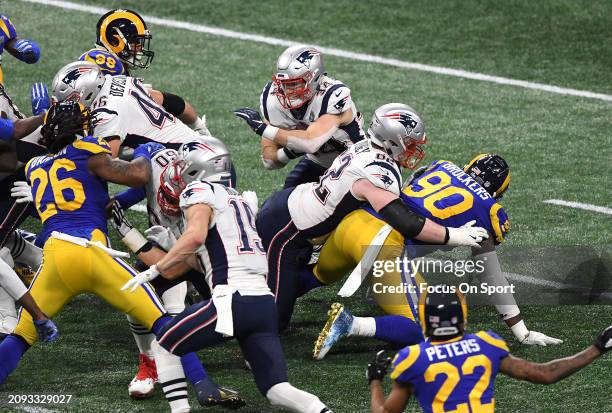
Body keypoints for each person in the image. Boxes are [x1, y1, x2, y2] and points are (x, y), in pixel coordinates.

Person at [0, 101, 220, 413]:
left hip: (55, 258)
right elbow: (137, 175)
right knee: (161, 321)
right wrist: (145, 152)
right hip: (91, 253)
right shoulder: (86, 149)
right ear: (81, 127)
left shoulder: (35, 166)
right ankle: (203, 384)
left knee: (22, 336)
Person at [121, 144, 333, 413]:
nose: (177, 174)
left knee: (163, 347)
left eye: (183, 168)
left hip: (232, 301)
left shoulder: (198, 190)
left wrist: (157, 267)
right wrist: (173, 244)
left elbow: (196, 236)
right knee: (278, 390)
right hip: (264, 305)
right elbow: (202, 261)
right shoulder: (239, 201)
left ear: (200, 169)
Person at [256, 103, 489, 332]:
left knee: (286, 284)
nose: (413, 150)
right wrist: (453, 235)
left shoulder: (366, 146)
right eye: (409, 143)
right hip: (286, 228)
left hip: (296, 213)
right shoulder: (377, 171)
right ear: (391, 140)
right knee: (272, 323)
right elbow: (406, 222)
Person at [313, 153, 560, 359]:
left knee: (315, 275)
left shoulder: (439, 167)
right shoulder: (489, 209)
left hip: (353, 223)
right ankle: (350, 323)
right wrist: (522, 332)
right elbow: (491, 277)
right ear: (497, 192)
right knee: (427, 327)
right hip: (383, 247)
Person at [367, 287, 612, 413]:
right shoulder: (486, 345)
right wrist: (597, 347)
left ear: (424, 318)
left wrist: (375, 380)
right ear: (462, 316)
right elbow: (545, 374)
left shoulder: (412, 358)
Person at [234, 45, 365, 187]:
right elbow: (270, 161)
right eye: (284, 84)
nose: (287, 91)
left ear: (314, 78)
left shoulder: (333, 95)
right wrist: (292, 150)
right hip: (317, 163)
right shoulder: (272, 99)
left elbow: (310, 142)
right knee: (277, 206)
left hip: (355, 164)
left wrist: (263, 128)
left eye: (294, 84)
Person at [79, 8, 210, 134]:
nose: (140, 48)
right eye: (136, 41)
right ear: (114, 41)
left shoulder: (112, 62)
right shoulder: (102, 61)